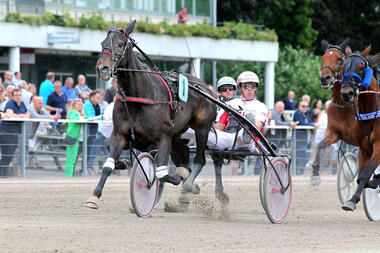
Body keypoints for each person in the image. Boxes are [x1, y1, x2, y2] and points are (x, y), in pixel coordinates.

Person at [9, 96, 61, 176]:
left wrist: (54, 117)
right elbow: (36, 117)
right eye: (39, 103)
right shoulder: (30, 108)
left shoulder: (41, 109)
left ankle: (16, 173)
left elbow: (46, 115)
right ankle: (11, 172)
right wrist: (52, 117)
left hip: (28, 135)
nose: (41, 105)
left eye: (42, 103)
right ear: (34, 103)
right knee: (19, 153)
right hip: (22, 134)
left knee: (24, 154)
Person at [0, 88, 29, 176]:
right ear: (12, 96)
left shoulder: (22, 104)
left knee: (10, 155)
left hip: (15, 133)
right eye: (16, 95)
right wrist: (21, 115)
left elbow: (28, 115)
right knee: (7, 154)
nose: (18, 97)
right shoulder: (10, 103)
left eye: (20, 95)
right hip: (6, 132)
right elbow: (9, 114)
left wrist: (21, 116)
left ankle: (3, 172)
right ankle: (3, 172)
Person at [293, 101, 319, 175]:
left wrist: (313, 123)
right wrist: (313, 124)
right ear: (299, 107)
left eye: (306, 106)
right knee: (305, 157)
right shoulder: (298, 113)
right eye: (303, 106)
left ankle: (297, 173)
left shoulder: (305, 114)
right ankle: (299, 173)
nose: (305, 108)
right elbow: (302, 123)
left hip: (305, 140)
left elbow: (309, 121)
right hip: (299, 140)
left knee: (299, 158)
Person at [84, 90, 103, 176]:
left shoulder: (98, 106)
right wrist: (101, 117)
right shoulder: (87, 105)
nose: (99, 99)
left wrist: (100, 117)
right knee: (86, 150)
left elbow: (100, 116)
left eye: (99, 97)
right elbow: (90, 117)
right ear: (92, 98)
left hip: (95, 131)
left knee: (92, 149)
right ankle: (86, 168)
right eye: (97, 97)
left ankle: (88, 166)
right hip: (87, 131)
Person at [65, 99, 85, 177]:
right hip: (72, 138)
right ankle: (68, 176)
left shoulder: (79, 114)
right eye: (78, 104)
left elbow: (87, 117)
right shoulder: (73, 112)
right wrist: (82, 117)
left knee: (73, 159)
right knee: (71, 159)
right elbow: (75, 119)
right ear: (74, 105)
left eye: (81, 104)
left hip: (77, 139)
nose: (80, 106)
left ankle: (70, 175)